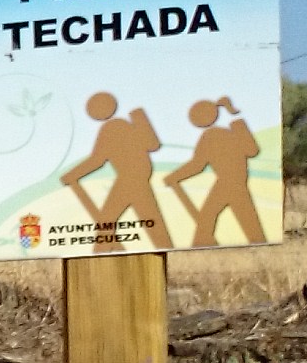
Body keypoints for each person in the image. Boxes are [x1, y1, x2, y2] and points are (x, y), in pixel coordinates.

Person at [58, 90, 166, 252]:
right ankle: (109, 253)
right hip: (138, 178)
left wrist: (72, 175)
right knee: (150, 222)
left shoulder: (111, 128)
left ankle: (100, 258)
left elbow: (97, 160)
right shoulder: (125, 125)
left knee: (107, 223)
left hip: (129, 179)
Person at [164, 96, 266, 248]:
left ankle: (201, 245)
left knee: (207, 217)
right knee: (244, 219)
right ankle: (203, 245)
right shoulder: (232, 132)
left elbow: (197, 165)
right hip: (238, 182)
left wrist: (174, 177)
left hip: (226, 183)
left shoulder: (210, 136)